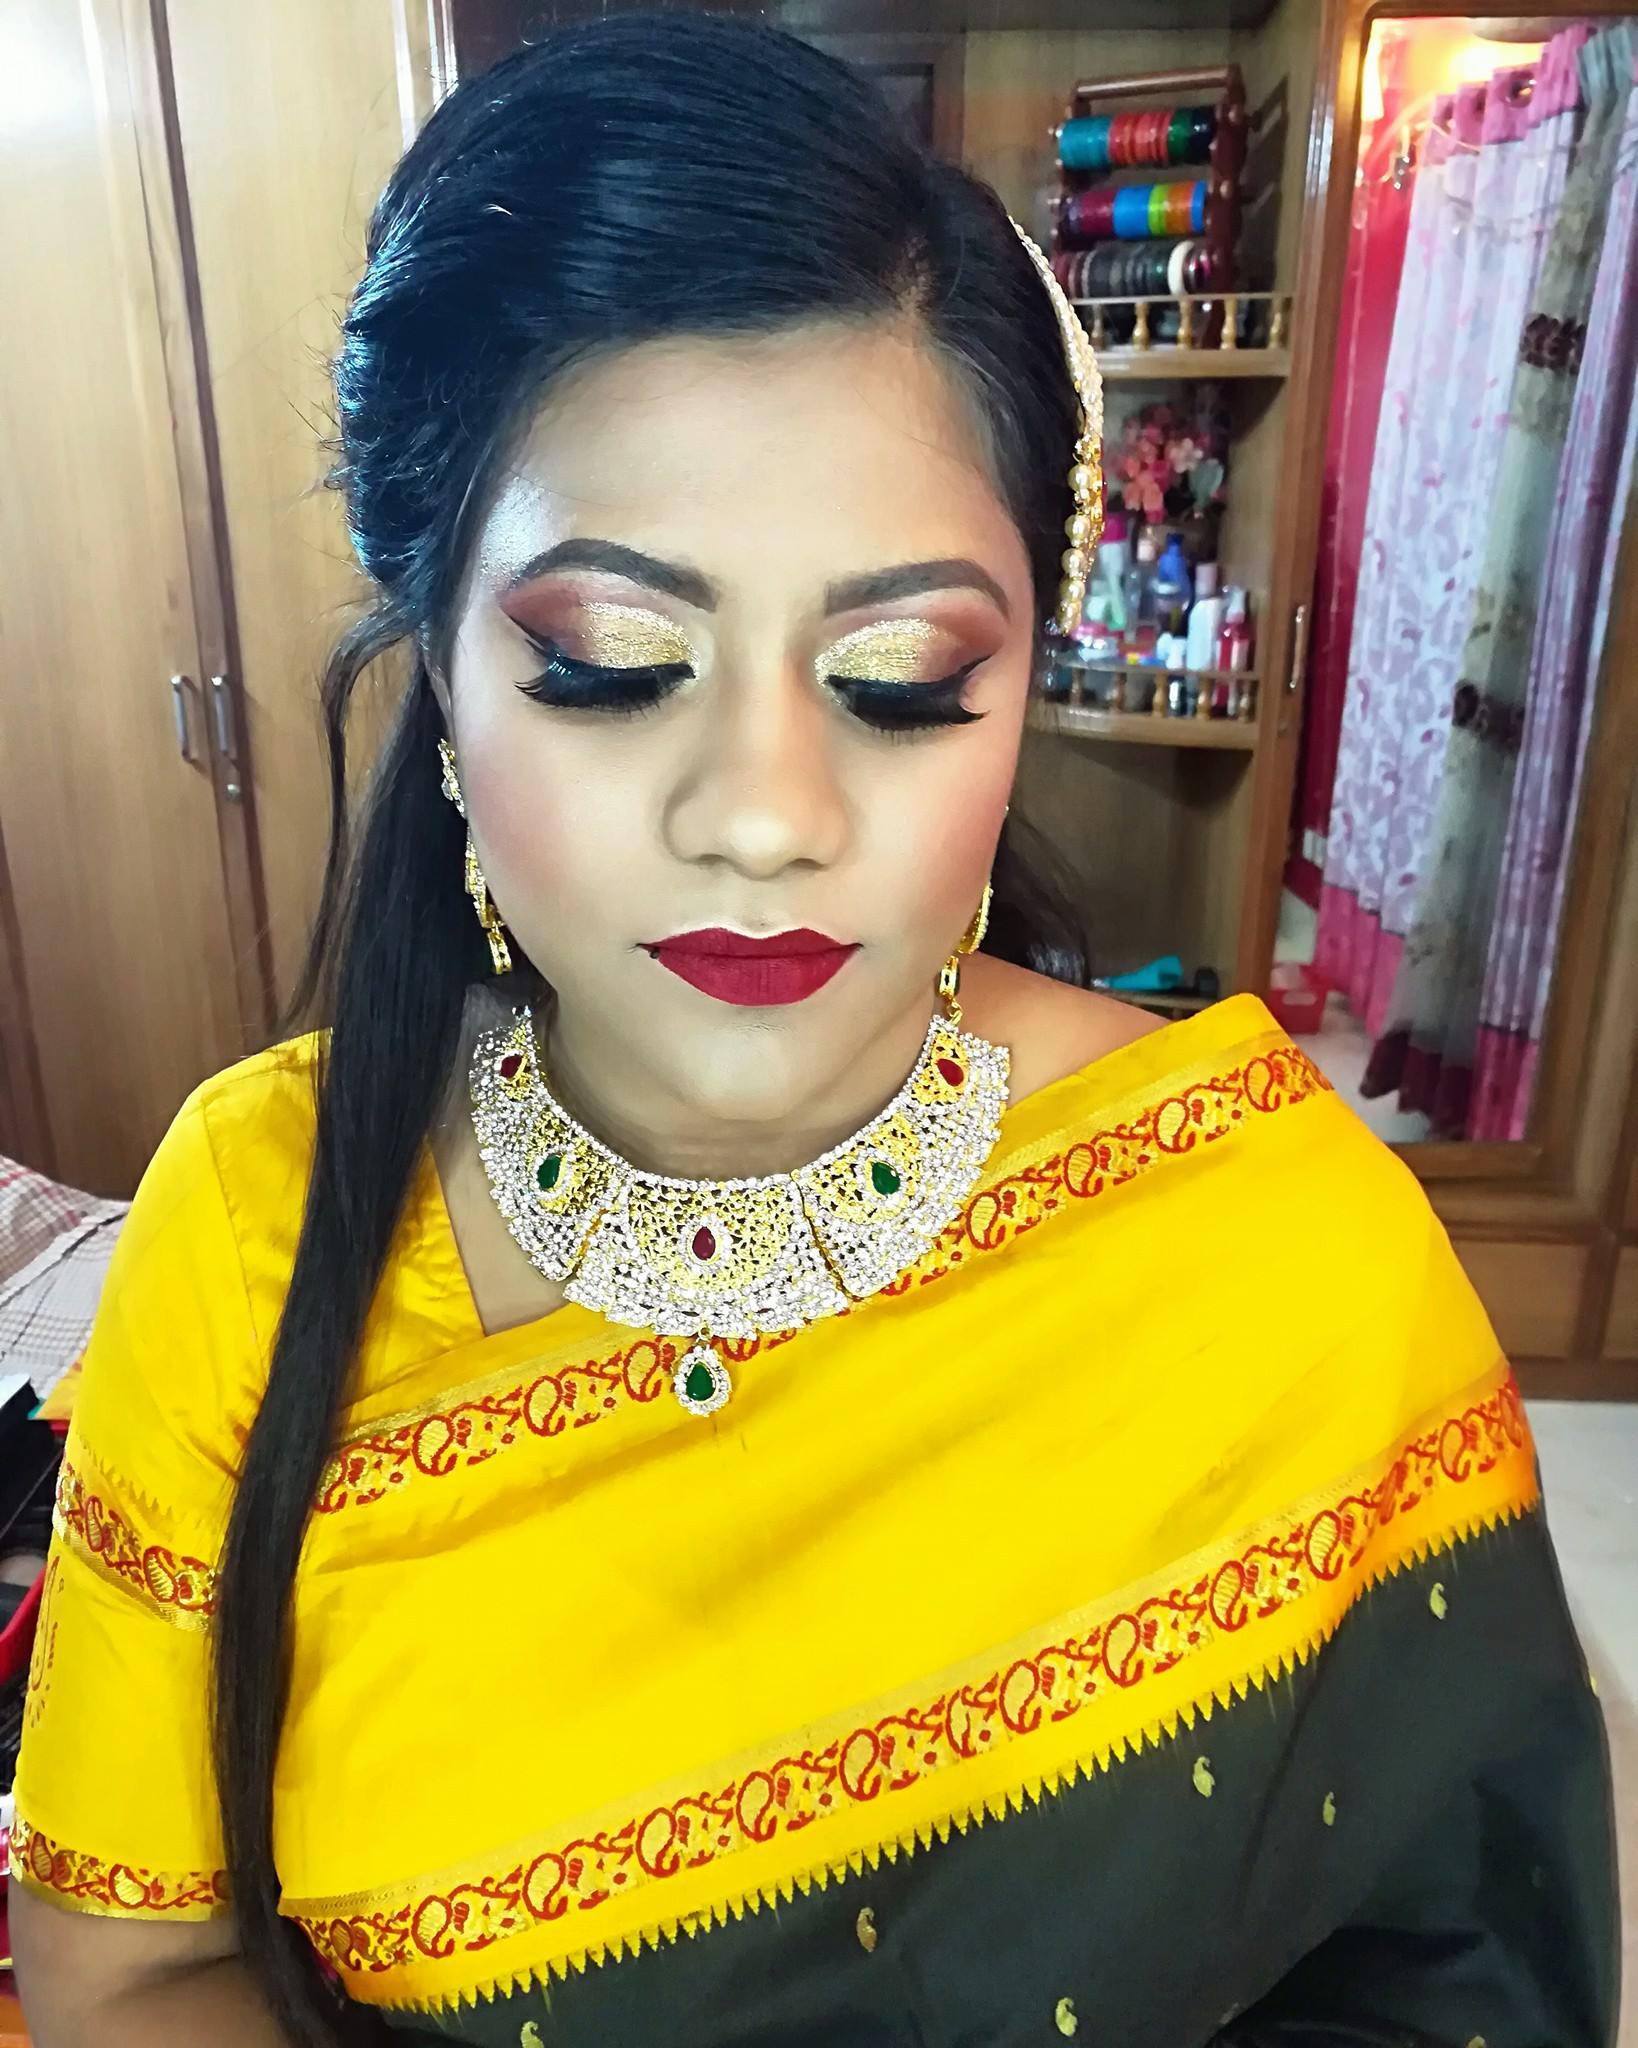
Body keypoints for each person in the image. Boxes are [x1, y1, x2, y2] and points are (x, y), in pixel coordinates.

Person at [8, 15, 1618, 2048]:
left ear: (1024, 683)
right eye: (614, 664)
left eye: (900, 674)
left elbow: (1458, 1970)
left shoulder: (1280, 1249)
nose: (764, 814)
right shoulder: (255, 1227)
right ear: (440, 680)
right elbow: (125, 1965)